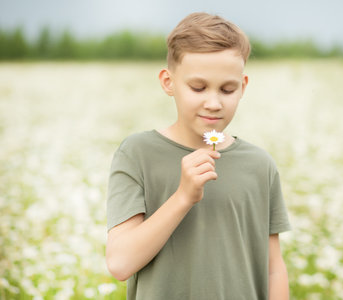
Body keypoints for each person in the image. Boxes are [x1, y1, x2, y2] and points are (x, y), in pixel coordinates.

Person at [106, 12, 291, 300]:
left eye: (228, 89)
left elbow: (273, 268)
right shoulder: (137, 154)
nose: (214, 103)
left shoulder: (259, 165)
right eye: (198, 87)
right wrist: (183, 197)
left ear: (243, 86)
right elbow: (119, 264)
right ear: (168, 82)